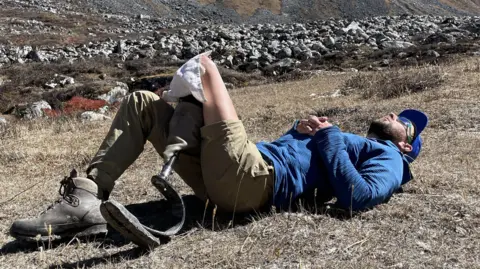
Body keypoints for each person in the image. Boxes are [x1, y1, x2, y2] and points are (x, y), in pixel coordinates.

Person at [10, 53, 428, 241]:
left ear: (407, 148)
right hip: (234, 175)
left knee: (205, 67)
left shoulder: (390, 158)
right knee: (143, 103)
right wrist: (300, 132)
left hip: (255, 183)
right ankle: (85, 199)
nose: (394, 117)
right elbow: (312, 162)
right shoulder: (348, 141)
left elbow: (360, 196)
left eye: (403, 124)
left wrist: (327, 136)